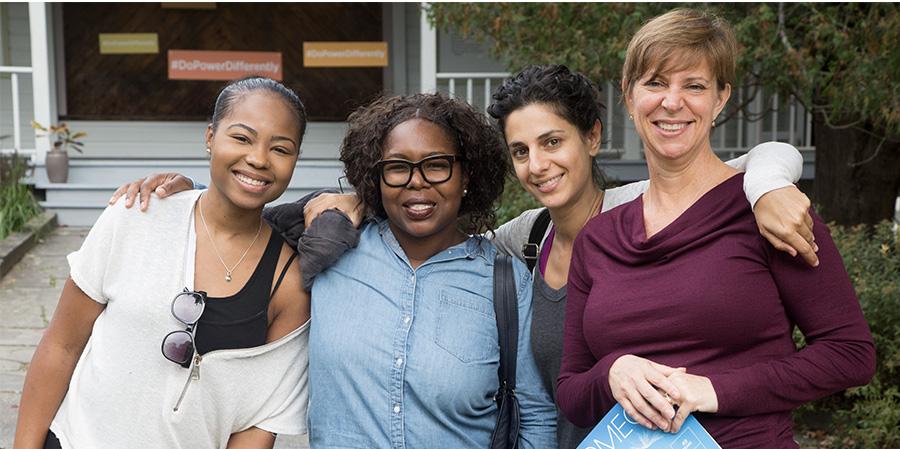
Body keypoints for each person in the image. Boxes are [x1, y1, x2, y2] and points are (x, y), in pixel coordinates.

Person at [113, 66, 815, 448]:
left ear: (469, 174)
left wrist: (769, 180)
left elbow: (535, 415)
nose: (418, 184)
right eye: (397, 169)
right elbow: (242, 211)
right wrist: (178, 189)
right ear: (371, 176)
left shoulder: (511, 269)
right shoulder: (329, 248)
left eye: (438, 166)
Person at [556, 9, 876, 448]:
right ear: (629, 97)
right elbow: (571, 393)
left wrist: (715, 390)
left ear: (721, 98)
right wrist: (612, 372)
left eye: (694, 85)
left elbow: (850, 354)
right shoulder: (598, 239)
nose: (672, 102)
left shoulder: (769, 211)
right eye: (655, 83)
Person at [14, 77, 311, 449]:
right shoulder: (136, 216)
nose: (258, 159)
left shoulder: (289, 282)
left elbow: (258, 422)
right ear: (209, 137)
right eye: (241, 138)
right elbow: (61, 345)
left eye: (280, 148)